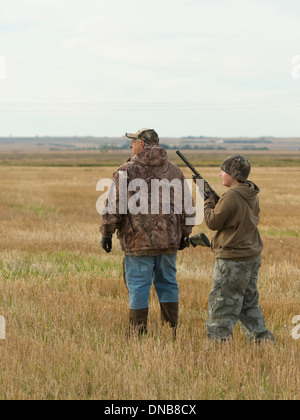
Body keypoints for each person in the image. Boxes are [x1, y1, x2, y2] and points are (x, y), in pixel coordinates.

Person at [100, 128, 194, 337]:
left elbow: (114, 206)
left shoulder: (126, 170)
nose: (130, 146)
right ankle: (171, 330)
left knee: (138, 286)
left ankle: (138, 332)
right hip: (169, 241)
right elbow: (188, 205)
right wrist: (185, 233)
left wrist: (107, 233)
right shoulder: (174, 171)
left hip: (137, 242)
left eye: (132, 142)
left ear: (141, 144)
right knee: (168, 282)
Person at [203, 154, 275, 343]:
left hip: (232, 259)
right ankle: (262, 341)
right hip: (250, 256)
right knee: (248, 302)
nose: (220, 174)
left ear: (233, 174)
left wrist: (208, 200)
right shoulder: (250, 193)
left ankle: (217, 346)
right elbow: (236, 217)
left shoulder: (232, 195)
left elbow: (212, 221)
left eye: (223, 171)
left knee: (222, 303)